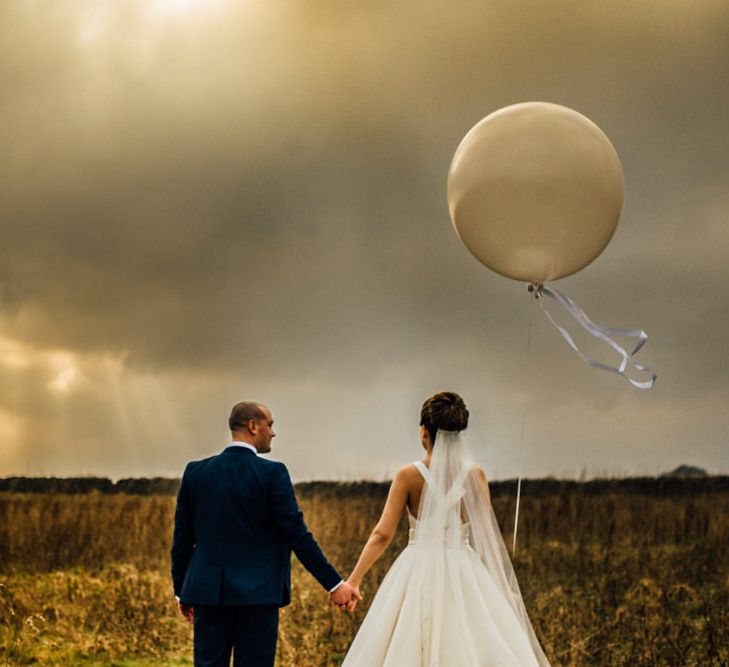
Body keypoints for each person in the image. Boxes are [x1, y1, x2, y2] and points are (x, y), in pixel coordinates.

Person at [342, 391, 551, 666]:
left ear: (423, 432)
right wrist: (502, 587)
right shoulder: (475, 475)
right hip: (465, 569)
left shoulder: (408, 475)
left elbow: (382, 535)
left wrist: (353, 580)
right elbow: (486, 535)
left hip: (418, 569)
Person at [171, 401, 361, 667]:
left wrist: (182, 591)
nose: (273, 433)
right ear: (252, 426)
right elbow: (297, 534)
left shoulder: (196, 472)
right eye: (270, 425)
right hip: (258, 597)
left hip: (208, 594)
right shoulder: (273, 473)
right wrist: (334, 584)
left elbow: (182, 539)